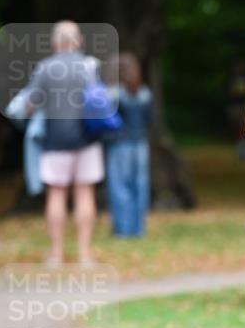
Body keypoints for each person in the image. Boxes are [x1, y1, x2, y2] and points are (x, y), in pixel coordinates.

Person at [26, 21, 104, 266]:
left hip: (55, 141)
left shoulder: (45, 68)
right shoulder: (90, 66)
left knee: (56, 195)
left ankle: (56, 254)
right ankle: (84, 254)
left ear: (55, 42)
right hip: (87, 140)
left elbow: (30, 105)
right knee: (85, 194)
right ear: (78, 41)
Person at [104, 53, 152, 237]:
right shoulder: (145, 93)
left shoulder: (112, 93)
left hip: (119, 145)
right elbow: (149, 120)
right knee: (139, 186)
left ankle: (122, 230)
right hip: (140, 144)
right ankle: (138, 228)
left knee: (119, 186)